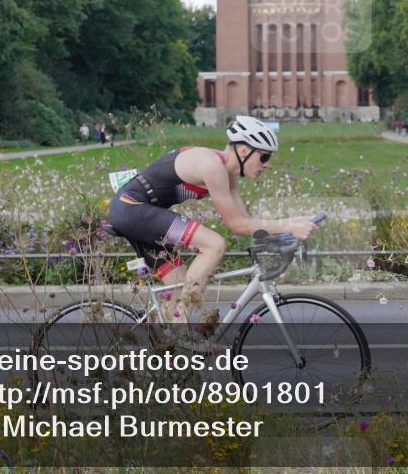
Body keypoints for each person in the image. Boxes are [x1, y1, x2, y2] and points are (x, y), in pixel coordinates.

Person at [109, 116, 318, 323]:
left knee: (178, 290)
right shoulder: (212, 166)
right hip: (132, 207)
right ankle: (178, 327)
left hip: (140, 213)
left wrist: (284, 232)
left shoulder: (229, 172)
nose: (267, 165)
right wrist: (290, 225)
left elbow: (245, 221)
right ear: (245, 151)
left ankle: (161, 346)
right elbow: (236, 225)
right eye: (264, 157)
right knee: (215, 245)